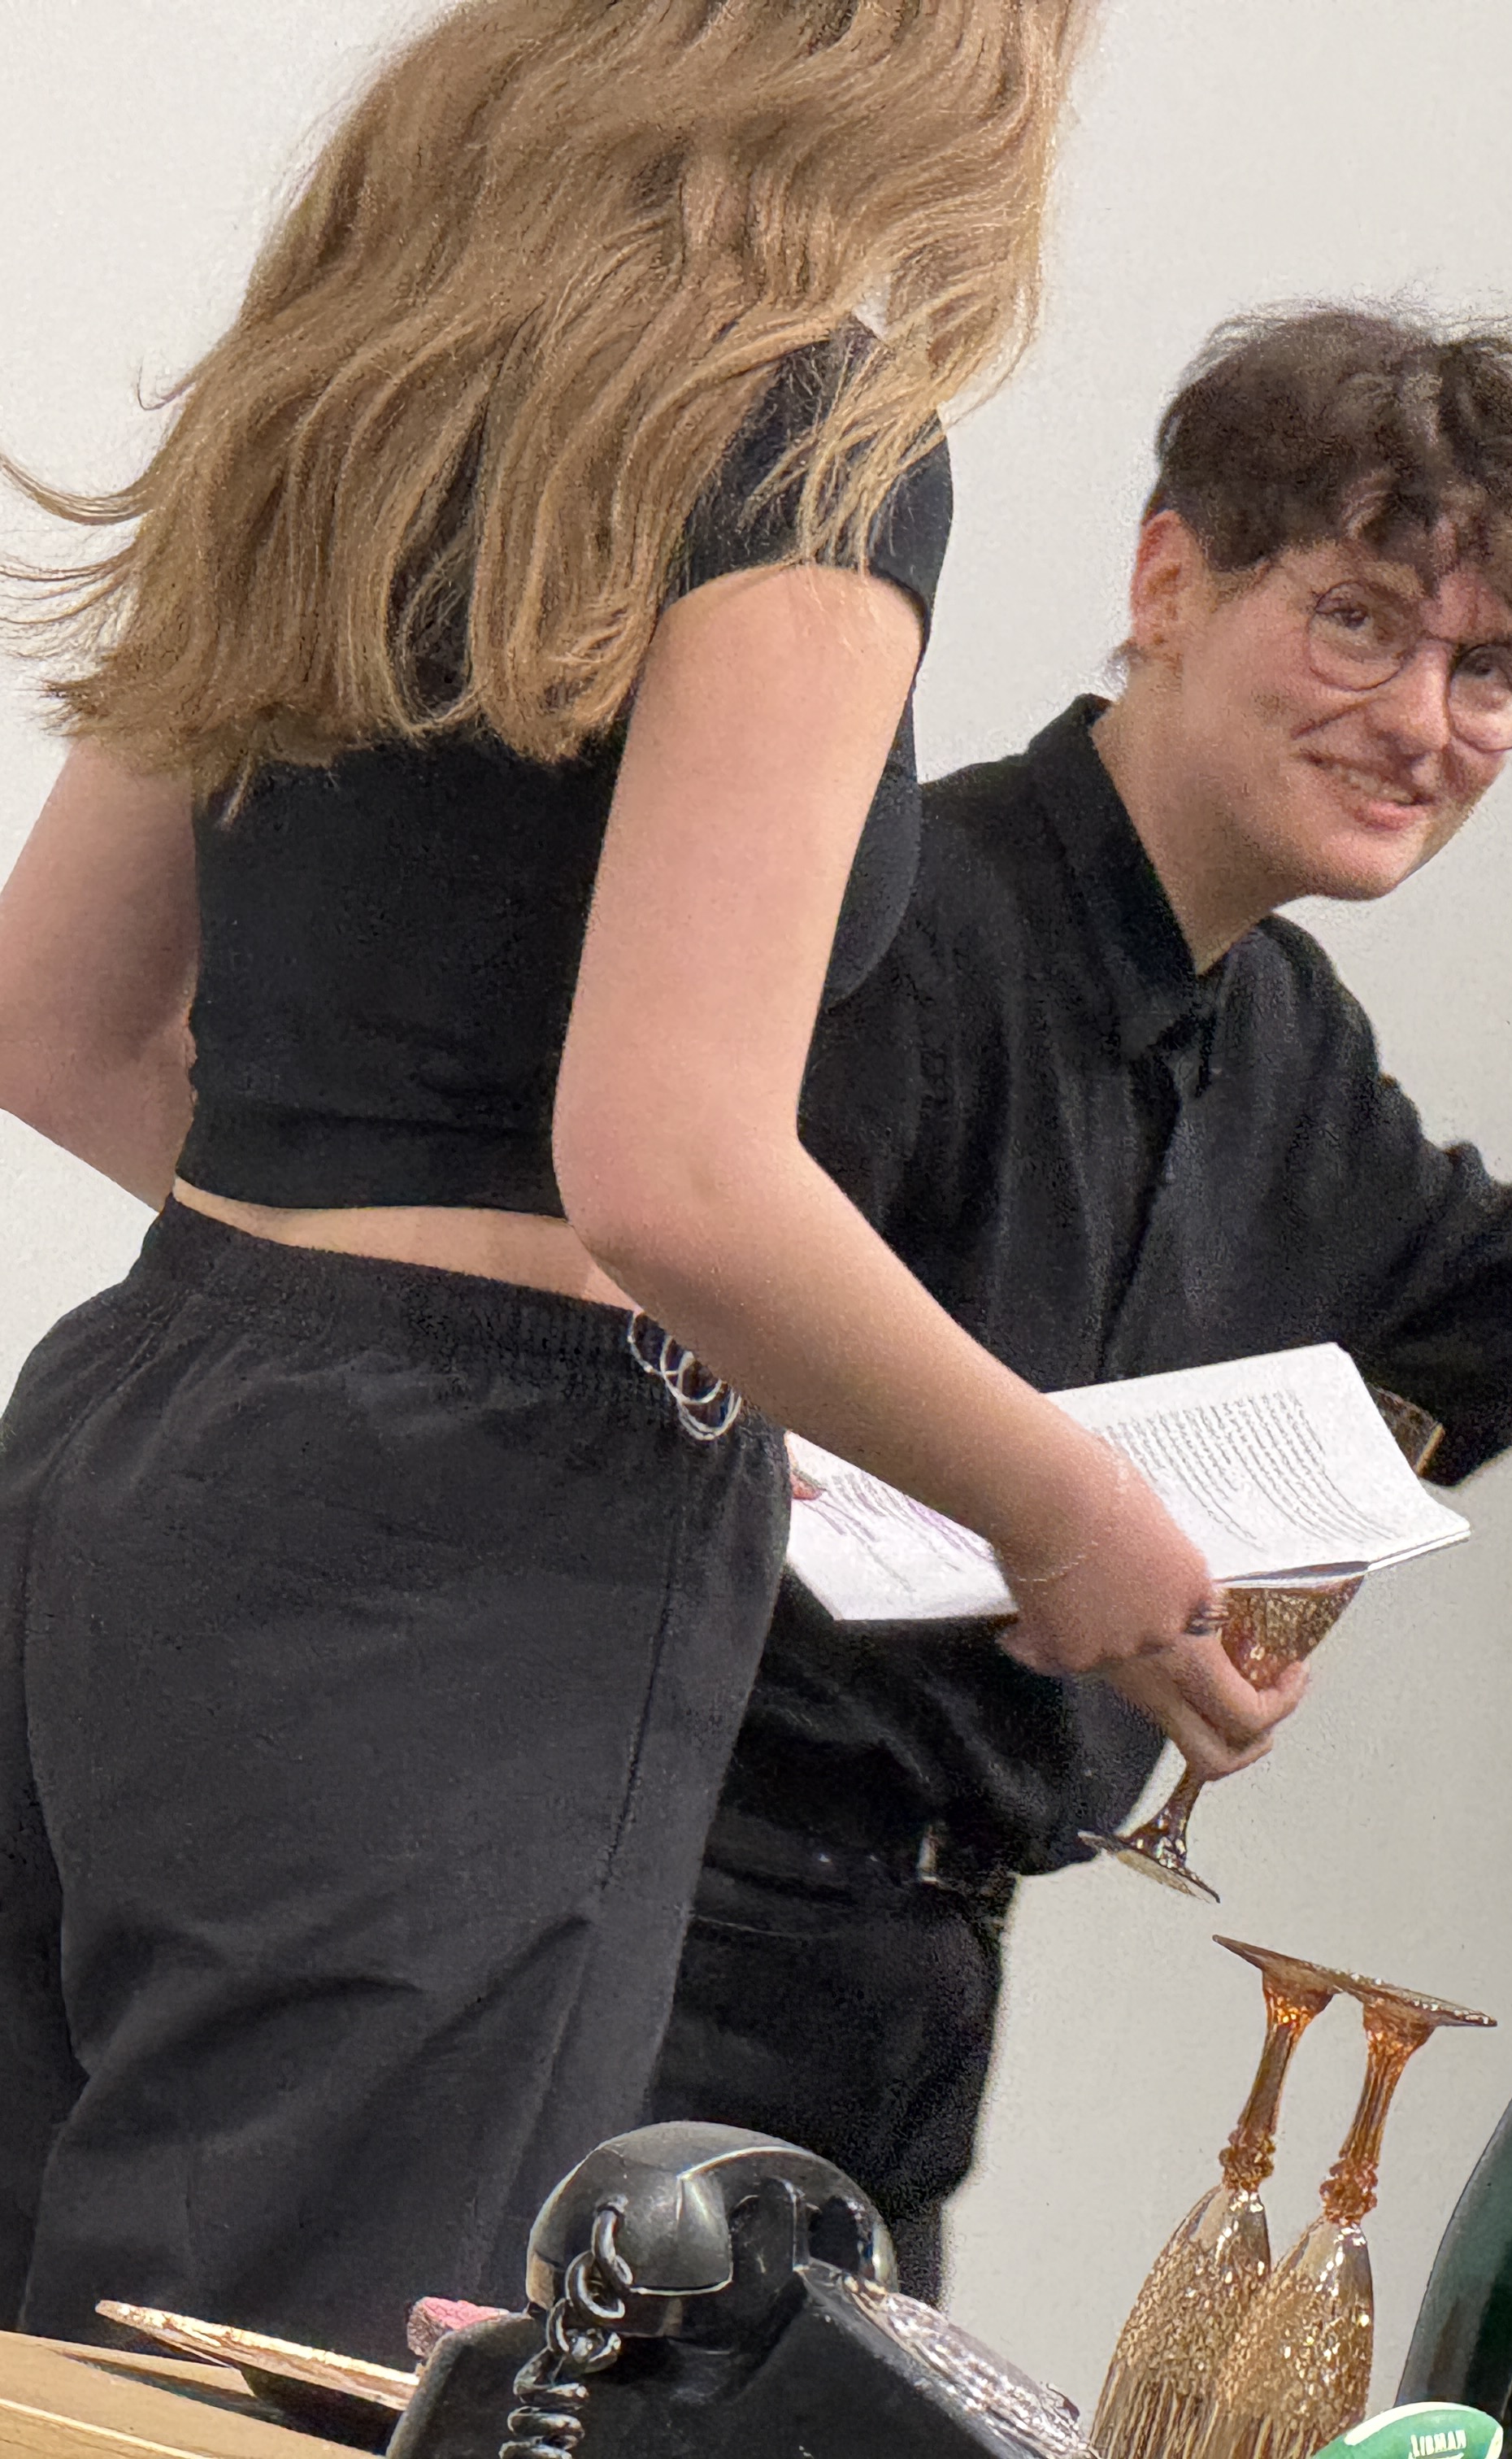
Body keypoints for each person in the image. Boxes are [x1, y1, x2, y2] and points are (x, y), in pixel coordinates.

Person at [0, 0, 1301, 2358]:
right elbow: (674, 1165)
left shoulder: (342, 372)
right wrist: (1053, 1510)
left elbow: (51, 1015)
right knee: (258, 2388)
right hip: (472, 1558)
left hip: (130, 1440)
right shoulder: (804, 437)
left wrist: (354, 1298)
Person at [646, 303, 1512, 2296]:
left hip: (908, 1993)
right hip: (676, 1924)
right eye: (1358, 624)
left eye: (1488, 668)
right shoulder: (915, 921)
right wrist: (1073, 1546)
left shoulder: (1284, 1036)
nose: (1423, 720)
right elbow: (685, 1391)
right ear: (1167, 583)